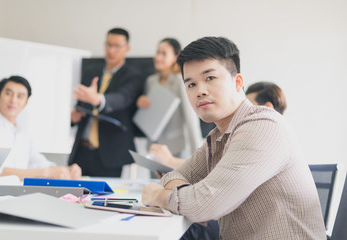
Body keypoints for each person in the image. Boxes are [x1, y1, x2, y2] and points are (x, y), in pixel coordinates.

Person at [142, 37, 326, 239]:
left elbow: (205, 205)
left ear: (238, 82)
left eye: (210, 78)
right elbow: (174, 176)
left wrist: (160, 196)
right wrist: (190, 196)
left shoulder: (262, 126)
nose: (200, 91)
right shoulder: (219, 136)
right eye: (191, 84)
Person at [149, 81, 287, 168]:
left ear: (268, 108)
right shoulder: (227, 134)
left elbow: (215, 177)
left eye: (249, 106)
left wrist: (170, 161)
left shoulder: (264, 141)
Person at [68, 28, 144, 177]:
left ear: (127, 48)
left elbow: (122, 98)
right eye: (108, 45)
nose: (111, 50)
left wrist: (99, 100)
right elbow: (81, 105)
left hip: (110, 154)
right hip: (81, 151)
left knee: (104, 198)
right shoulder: (91, 72)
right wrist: (74, 117)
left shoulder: (133, 75)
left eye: (117, 46)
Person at [0, 76, 81, 181]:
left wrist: (67, 170)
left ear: (26, 103)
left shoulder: (22, 133)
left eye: (20, 96)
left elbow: (38, 162)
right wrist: (46, 173)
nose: (13, 100)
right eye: (8, 94)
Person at [136, 38, 202, 157]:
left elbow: (190, 118)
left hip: (176, 147)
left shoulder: (180, 82)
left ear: (176, 56)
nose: (158, 57)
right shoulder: (151, 81)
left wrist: (198, 155)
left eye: (164, 53)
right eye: (157, 52)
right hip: (153, 148)